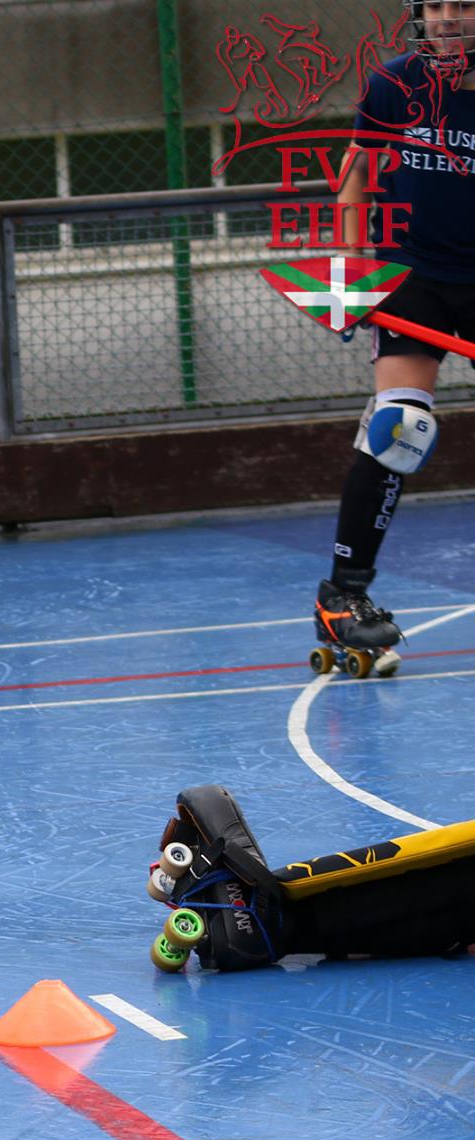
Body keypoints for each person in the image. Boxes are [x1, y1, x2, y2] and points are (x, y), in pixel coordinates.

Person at [322, 0, 474, 676]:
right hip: (411, 274)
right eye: (435, 5)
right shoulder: (393, 82)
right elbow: (355, 179)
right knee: (400, 428)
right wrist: (349, 275)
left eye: (462, 5)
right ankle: (342, 596)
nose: (447, 18)